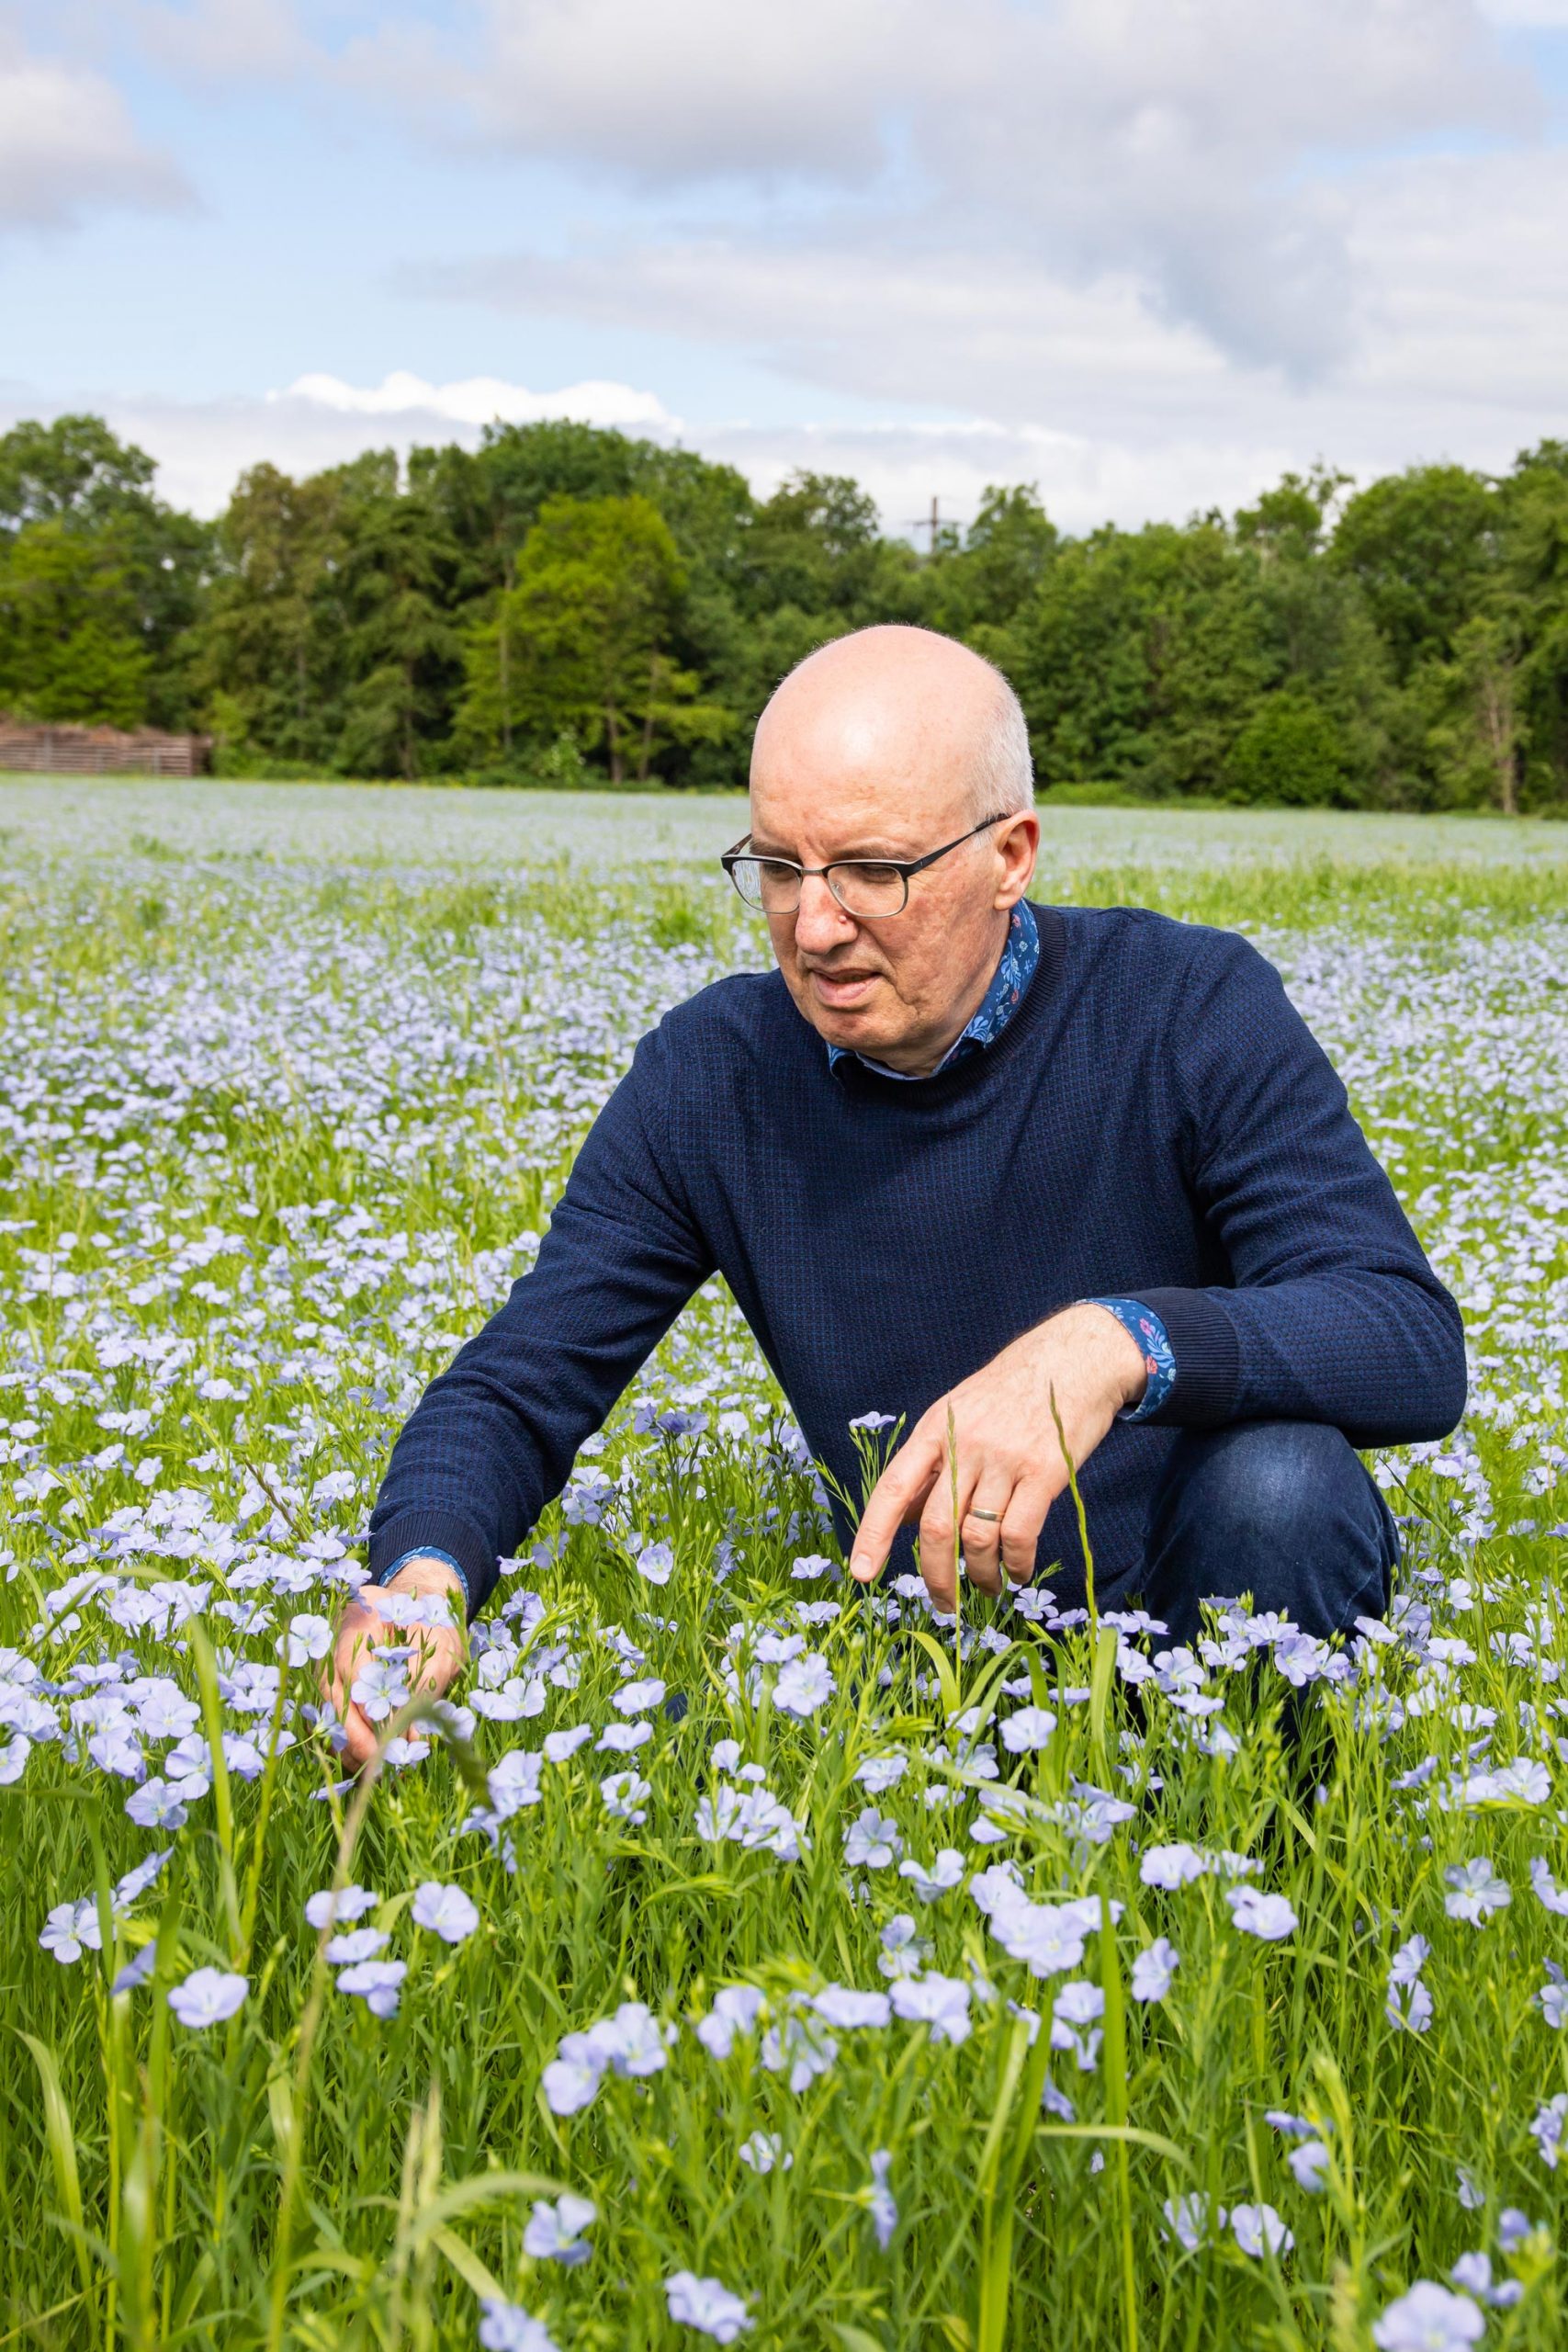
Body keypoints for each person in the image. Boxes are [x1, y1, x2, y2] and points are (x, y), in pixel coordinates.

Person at [325, 624, 1465, 1766]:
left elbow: (1406, 1337)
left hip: (1197, 1597)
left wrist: (1116, 1341)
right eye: (779, 867)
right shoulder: (712, 1074)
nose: (814, 926)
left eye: (874, 870)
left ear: (1010, 855)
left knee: (1284, 1485)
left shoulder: (1186, 1006)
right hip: (927, 1653)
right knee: (654, 1770)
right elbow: (524, 1380)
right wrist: (422, 1577)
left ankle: (1242, 1874)